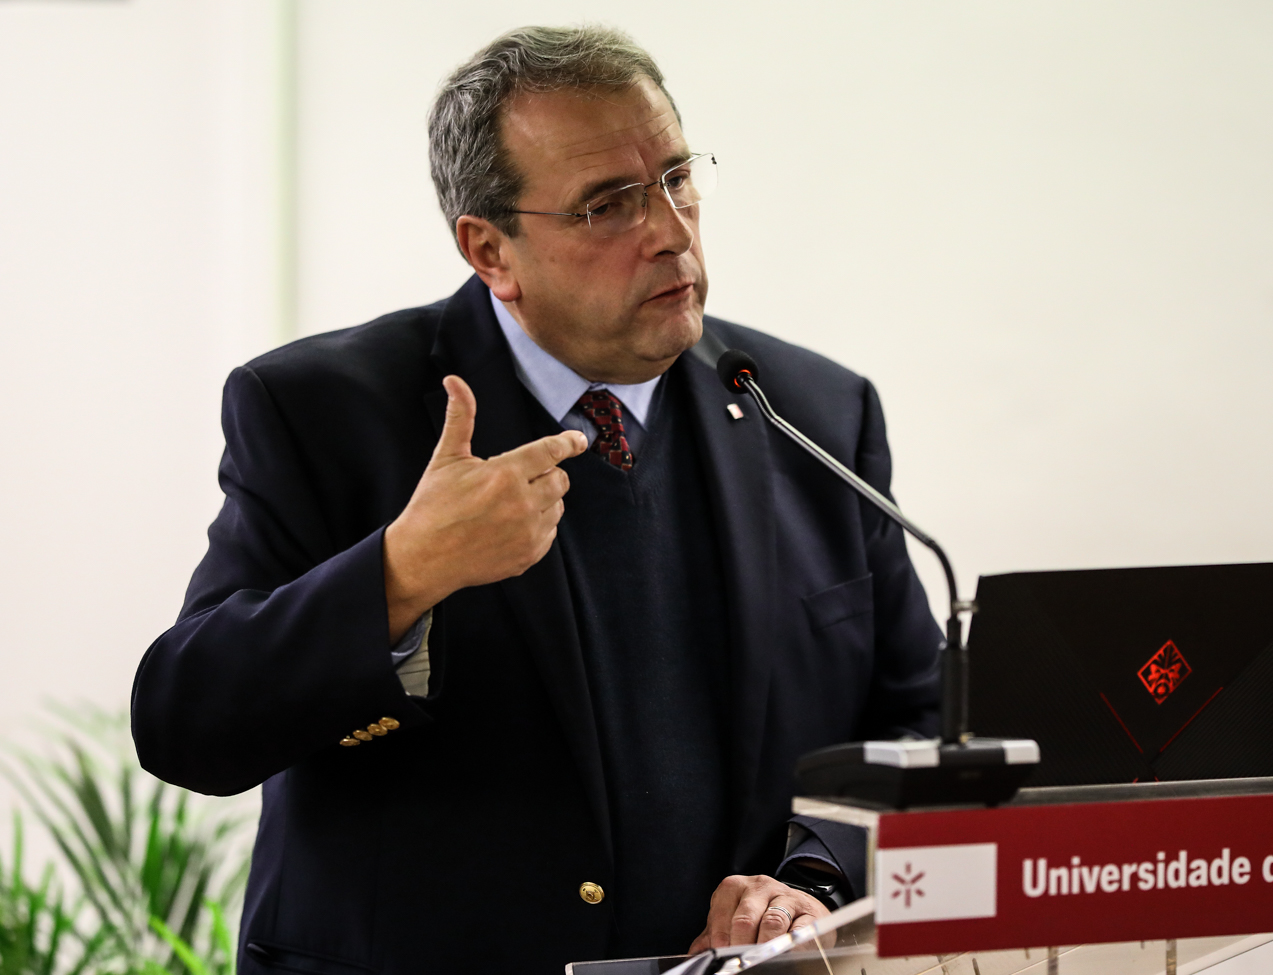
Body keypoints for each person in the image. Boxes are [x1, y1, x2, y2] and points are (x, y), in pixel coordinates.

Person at [131, 24, 941, 975]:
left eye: (677, 177)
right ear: (490, 249)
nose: (671, 231)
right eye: (608, 205)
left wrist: (818, 877)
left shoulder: (811, 410)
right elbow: (185, 724)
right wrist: (401, 573)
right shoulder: (324, 411)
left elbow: (916, 729)